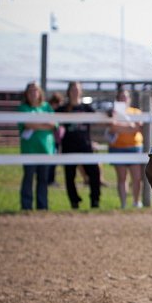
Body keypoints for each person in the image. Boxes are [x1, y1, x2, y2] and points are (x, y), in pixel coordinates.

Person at [58, 81, 101, 209]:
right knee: (70, 176)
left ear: (81, 91)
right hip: (69, 146)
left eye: (77, 89)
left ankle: (95, 201)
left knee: (94, 173)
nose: (75, 92)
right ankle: (74, 201)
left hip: (85, 146)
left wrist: (109, 114)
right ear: (68, 92)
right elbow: (51, 116)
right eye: (73, 89)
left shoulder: (86, 108)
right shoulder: (63, 109)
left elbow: (98, 117)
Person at [17, 81, 55, 210]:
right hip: (29, 149)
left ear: (40, 93)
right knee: (28, 178)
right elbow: (27, 124)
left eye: (35, 90)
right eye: (30, 91)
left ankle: (42, 206)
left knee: (43, 180)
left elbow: (53, 124)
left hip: (45, 149)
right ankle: (26, 206)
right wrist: (44, 124)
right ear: (26, 94)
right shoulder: (23, 108)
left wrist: (37, 124)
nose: (33, 93)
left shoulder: (46, 107)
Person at [108, 89, 144, 208]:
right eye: (121, 97)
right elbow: (113, 128)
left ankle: (136, 202)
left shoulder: (136, 111)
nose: (124, 99)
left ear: (129, 99)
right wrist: (129, 128)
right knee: (122, 178)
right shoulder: (114, 112)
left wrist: (122, 127)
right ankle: (123, 204)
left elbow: (137, 128)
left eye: (126, 97)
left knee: (137, 177)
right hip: (118, 147)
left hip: (134, 147)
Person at [46, 91, 64, 188]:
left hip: (57, 141)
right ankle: (49, 180)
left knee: (54, 161)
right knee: (51, 162)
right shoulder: (49, 112)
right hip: (50, 140)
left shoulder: (57, 112)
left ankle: (51, 180)